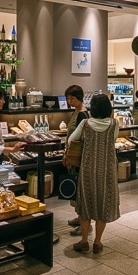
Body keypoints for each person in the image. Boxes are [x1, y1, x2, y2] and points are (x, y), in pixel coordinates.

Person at [68, 94, 120, 254]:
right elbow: (114, 139)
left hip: (88, 169)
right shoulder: (114, 124)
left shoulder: (85, 123)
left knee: (86, 203)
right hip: (107, 170)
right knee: (103, 203)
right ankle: (97, 242)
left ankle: (84, 241)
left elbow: (71, 140)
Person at [62, 85, 91, 236]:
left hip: (78, 157)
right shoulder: (76, 112)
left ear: (80, 98)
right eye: (68, 98)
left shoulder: (82, 115)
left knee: (80, 188)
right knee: (76, 186)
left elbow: (81, 139)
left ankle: (85, 222)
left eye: (72, 98)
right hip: (73, 154)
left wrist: (69, 155)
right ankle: (80, 218)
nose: (69, 101)